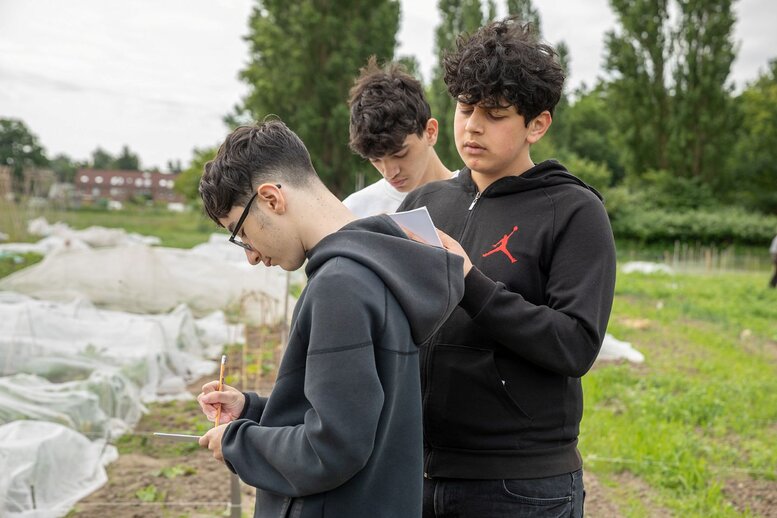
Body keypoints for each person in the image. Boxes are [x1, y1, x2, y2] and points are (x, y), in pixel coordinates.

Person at [398, 17, 617, 517]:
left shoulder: (574, 210)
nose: (472, 125)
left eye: (494, 114)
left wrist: (469, 281)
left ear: (537, 124)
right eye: (464, 107)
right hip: (415, 472)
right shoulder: (423, 202)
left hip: (520, 486)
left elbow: (575, 343)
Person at [196, 120, 464, 517]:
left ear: (270, 198)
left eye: (241, 232)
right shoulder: (382, 265)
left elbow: (332, 447)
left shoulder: (340, 285)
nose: (250, 255)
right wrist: (253, 411)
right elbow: (358, 411)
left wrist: (239, 442)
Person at [343, 56, 455, 217]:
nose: (389, 173)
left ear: (430, 132)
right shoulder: (354, 212)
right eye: (376, 160)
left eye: (400, 154)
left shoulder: (474, 201)